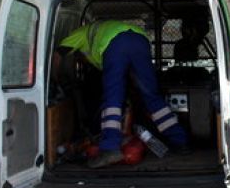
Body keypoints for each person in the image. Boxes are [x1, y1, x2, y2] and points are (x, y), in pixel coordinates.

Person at [55, 20, 189, 168]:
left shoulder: (79, 34)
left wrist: (54, 79)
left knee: (112, 99)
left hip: (116, 43)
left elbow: (57, 56)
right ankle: (180, 141)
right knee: (151, 95)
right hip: (140, 39)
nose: (84, 60)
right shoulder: (103, 30)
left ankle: (110, 148)